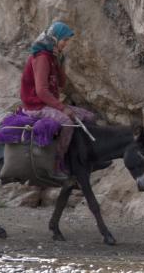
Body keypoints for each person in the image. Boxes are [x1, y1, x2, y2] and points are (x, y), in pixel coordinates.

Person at [19, 20, 95, 181]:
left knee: (89, 117)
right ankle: (57, 163)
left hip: (48, 104)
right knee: (67, 122)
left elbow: (61, 83)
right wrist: (62, 108)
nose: (66, 43)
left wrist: (60, 62)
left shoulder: (52, 57)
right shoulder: (41, 58)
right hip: (36, 105)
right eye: (64, 40)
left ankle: (77, 158)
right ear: (54, 38)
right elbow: (41, 91)